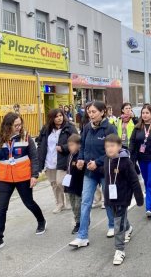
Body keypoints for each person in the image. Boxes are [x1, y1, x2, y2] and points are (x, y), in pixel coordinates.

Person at [0, 112, 46, 254]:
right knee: (1, 209)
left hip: (23, 177)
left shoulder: (26, 137)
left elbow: (34, 157)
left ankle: (41, 221)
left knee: (29, 203)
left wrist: (34, 175)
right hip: (5, 179)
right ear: (8, 126)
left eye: (20, 124)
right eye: (16, 125)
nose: (19, 127)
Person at [69, 101, 117, 248]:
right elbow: (82, 146)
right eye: (89, 112)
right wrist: (80, 159)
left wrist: (98, 162)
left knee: (108, 200)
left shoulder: (109, 128)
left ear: (102, 112)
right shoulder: (87, 127)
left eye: (94, 112)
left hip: (104, 170)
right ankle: (82, 236)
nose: (91, 115)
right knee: (85, 202)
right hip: (89, 172)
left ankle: (112, 225)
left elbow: (112, 150)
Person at [102, 134, 144, 265]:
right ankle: (129, 228)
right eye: (107, 146)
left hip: (122, 197)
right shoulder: (106, 160)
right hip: (110, 197)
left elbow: (134, 180)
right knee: (119, 219)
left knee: (117, 223)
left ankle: (119, 250)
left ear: (119, 146)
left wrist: (139, 198)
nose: (109, 149)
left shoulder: (126, 161)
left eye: (112, 146)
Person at [37, 108, 78, 214]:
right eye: (56, 116)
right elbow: (40, 143)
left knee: (61, 182)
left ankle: (70, 199)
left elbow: (77, 141)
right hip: (49, 161)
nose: (59, 118)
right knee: (54, 184)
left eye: (60, 115)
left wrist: (63, 148)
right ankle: (60, 204)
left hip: (63, 160)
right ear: (51, 118)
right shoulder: (46, 129)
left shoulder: (69, 128)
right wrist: (39, 156)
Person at [63, 134, 85, 234]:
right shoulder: (70, 156)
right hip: (70, 185)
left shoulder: (80, 156)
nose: (70, 147)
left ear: (79, 145)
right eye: (69, 145)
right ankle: (77, 221)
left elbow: (81, 172)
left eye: (72, 145)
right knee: (73, 205)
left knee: (78, 205)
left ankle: (81, 222)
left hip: (78, 185)